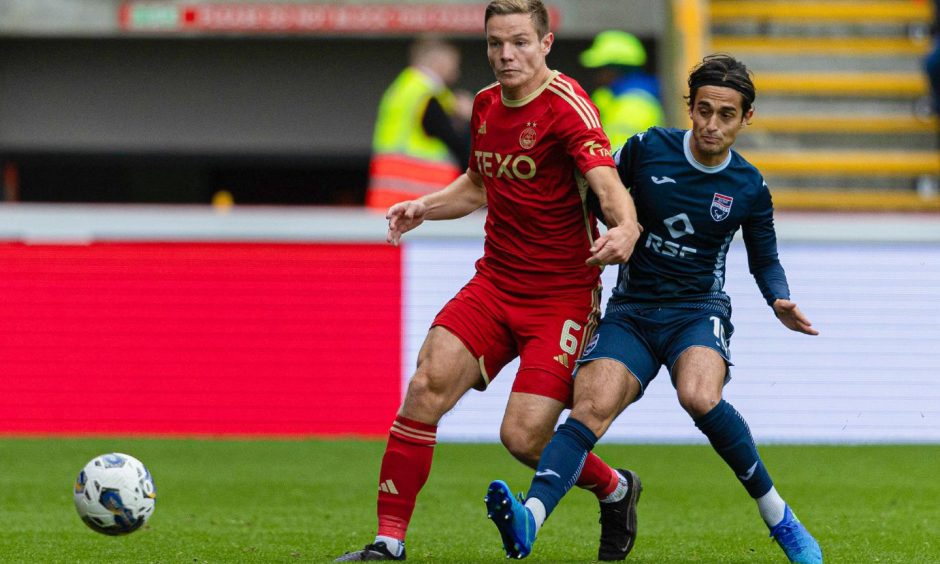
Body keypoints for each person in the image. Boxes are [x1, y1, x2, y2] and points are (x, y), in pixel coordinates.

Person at [484, 54, 824, 564]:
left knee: (699, 396)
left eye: (726, 115)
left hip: (696, 309)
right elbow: (596, 192)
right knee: (589, 409)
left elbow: (765, 257)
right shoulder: (646, 149)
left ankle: (781, 519)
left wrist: (778, 298)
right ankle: (530, 516)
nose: (712, 125)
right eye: (704, 110)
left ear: (746, 118)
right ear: (690, 107)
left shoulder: (749, 187)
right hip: (632, 310)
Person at [336, 1, 643, 561]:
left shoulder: (570, 107)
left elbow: (606, 181)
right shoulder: (483, 105)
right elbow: (479, 184)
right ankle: (388, 543)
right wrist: (424, 206)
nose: (506, 55)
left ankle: (616, 488)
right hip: (496, 284)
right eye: (495, 43)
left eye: (520, 42)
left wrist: (626, 227)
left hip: (561, 298)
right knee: (425, 386)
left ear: (546, 43)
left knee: (523, 439)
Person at [365, 36, 473, 210]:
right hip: (420, 202)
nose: (457, 70)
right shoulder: (428, 96)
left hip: (389, 200)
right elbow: (459, 144)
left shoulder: (403, 88)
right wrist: (471, 118)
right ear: (440, 61)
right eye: (454, 63)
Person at [579, 30, 665, 149]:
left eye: (600, 69)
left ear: (614, 70)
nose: (596, 75)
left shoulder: (634, 105)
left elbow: (622, 156)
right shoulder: (613, 98)